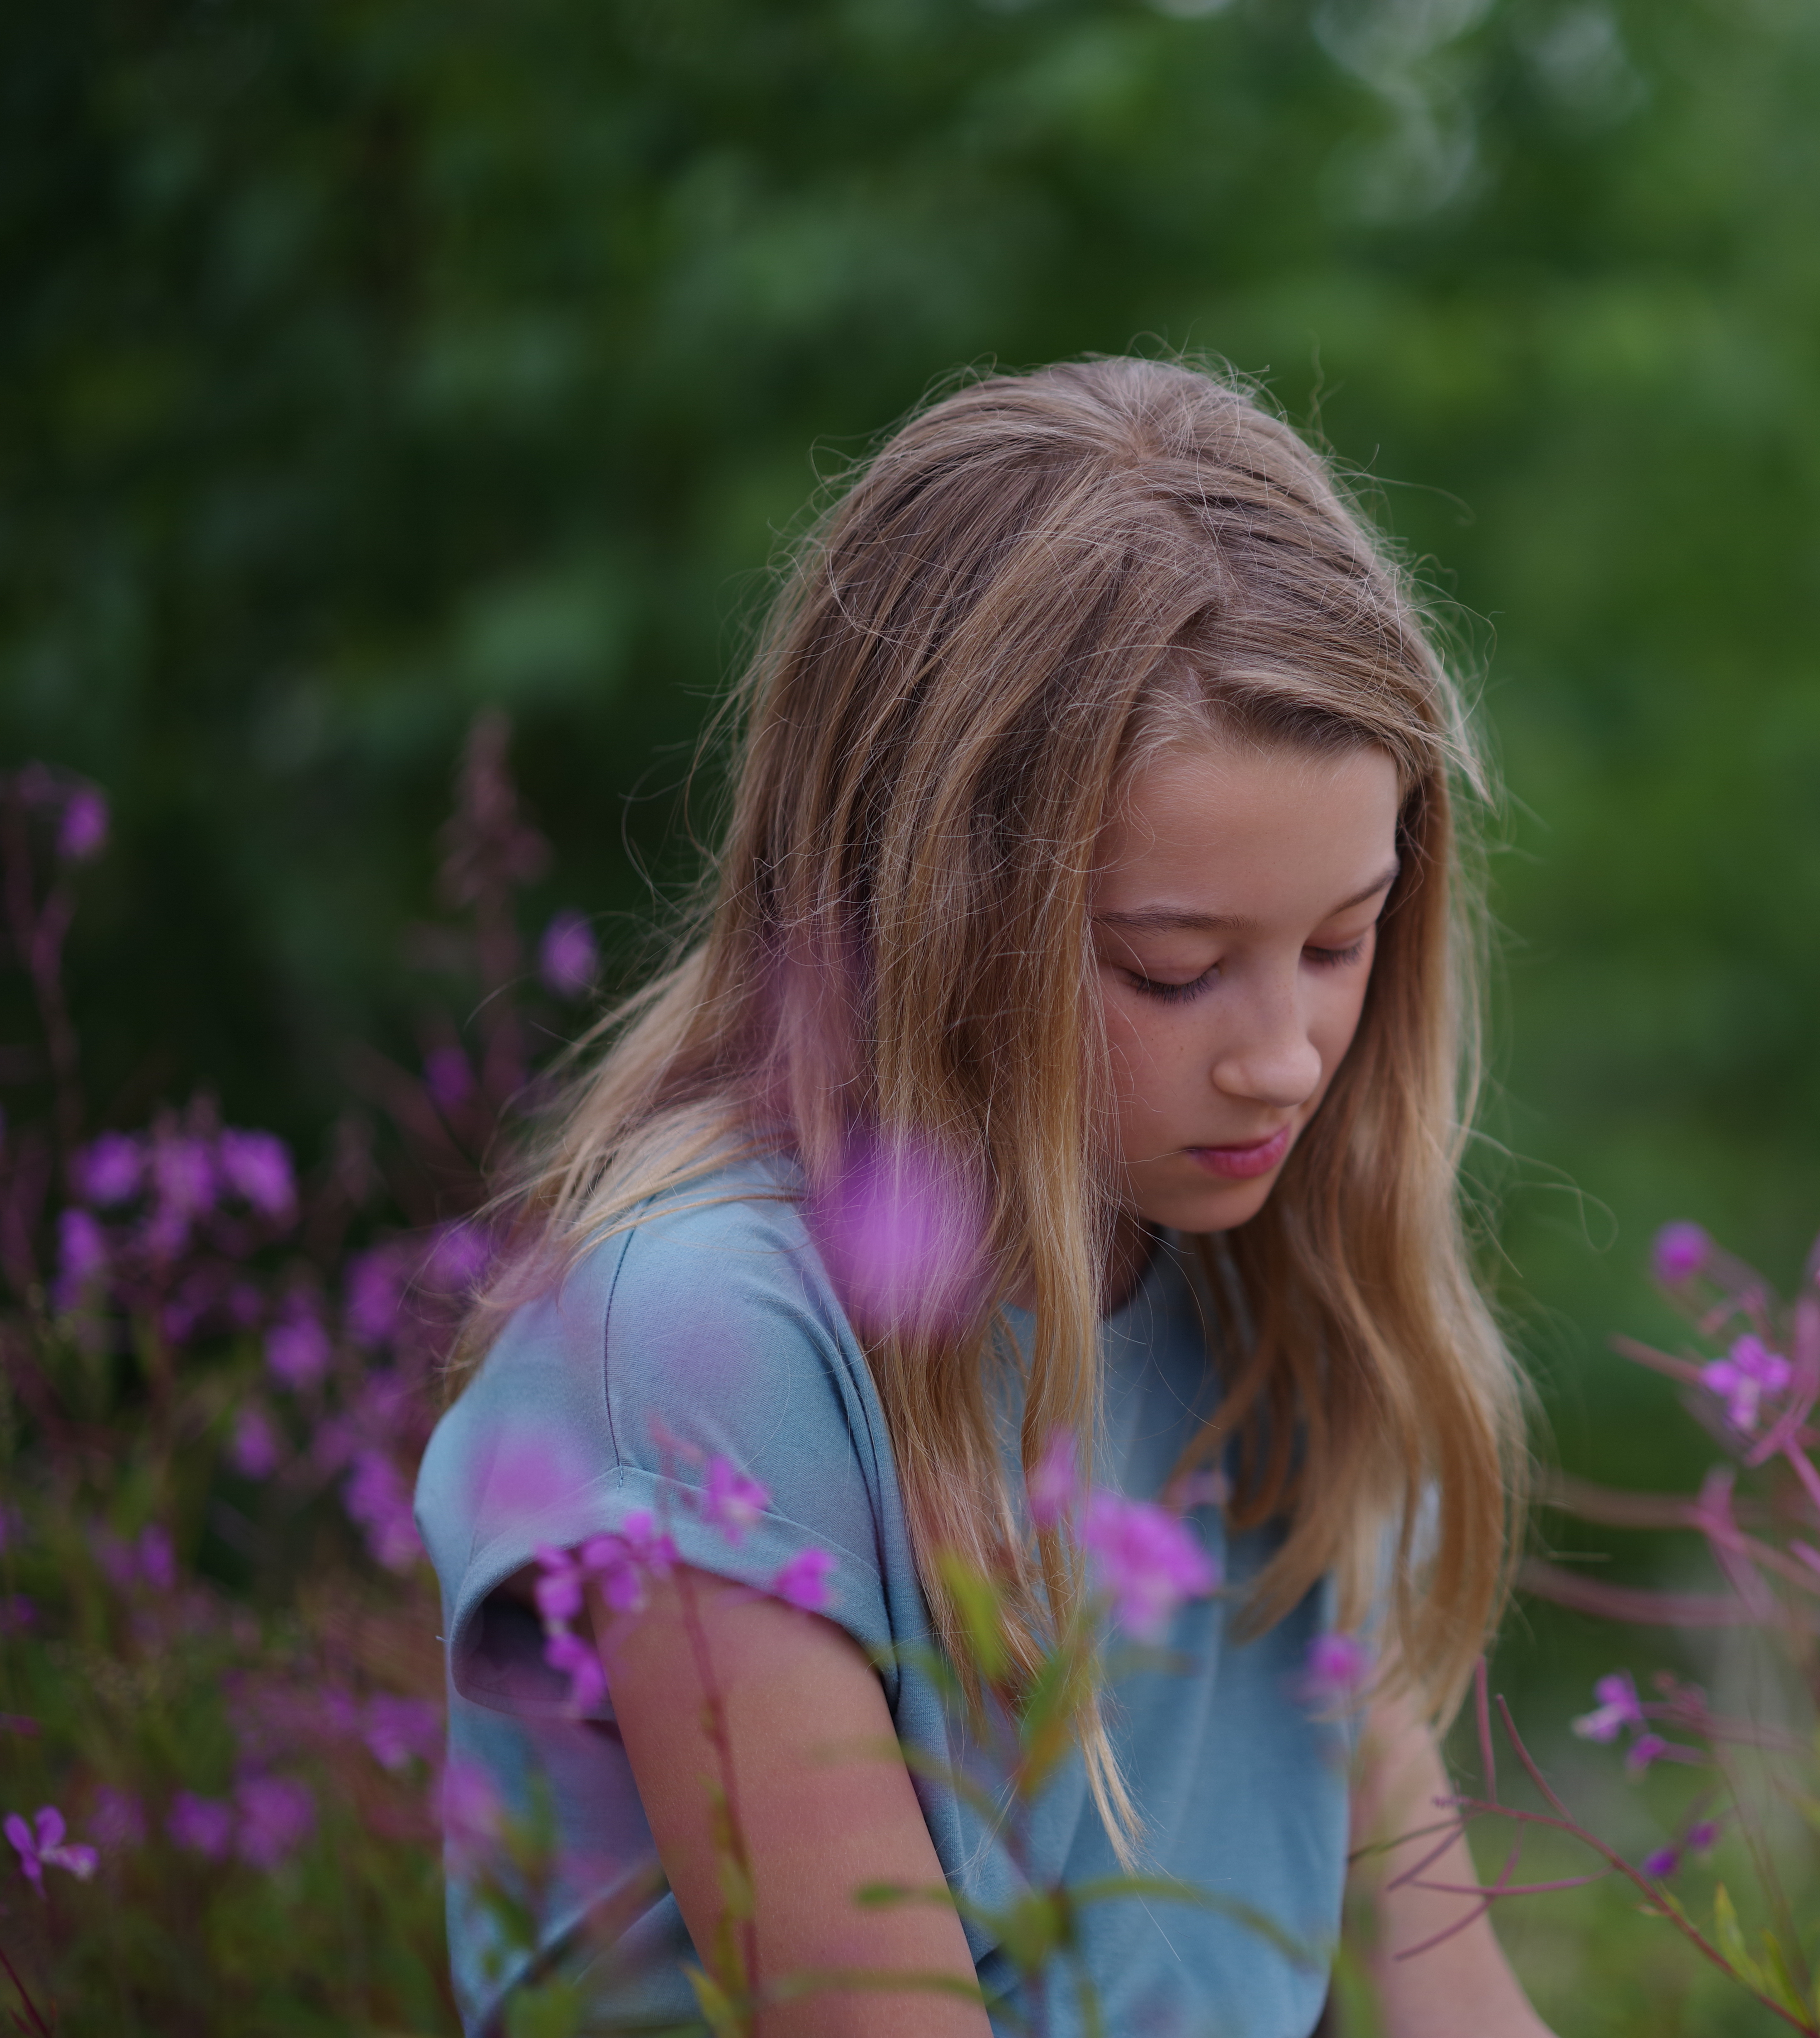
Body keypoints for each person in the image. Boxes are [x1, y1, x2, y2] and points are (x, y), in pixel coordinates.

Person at [414, 359, 1557, 2038]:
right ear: (927, 919)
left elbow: (1455, 2003)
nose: (1288, 1058)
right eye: (1172, 970)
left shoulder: (1279, 1293)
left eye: (1341, 939)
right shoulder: (704, 1340)